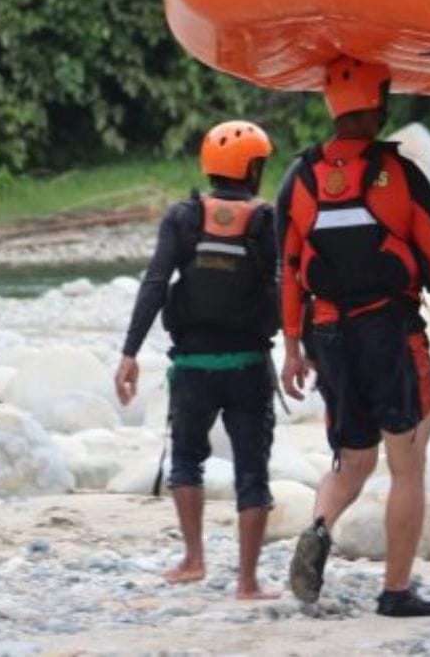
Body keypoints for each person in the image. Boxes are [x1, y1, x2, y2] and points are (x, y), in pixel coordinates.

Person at [278, 55, 430, 617]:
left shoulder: (301, 177)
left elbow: (288, 271)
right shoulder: (399, 175)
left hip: (329, 337)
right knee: (407, 465)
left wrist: (292, 347)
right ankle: (395, 592)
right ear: (380, 104)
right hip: (389, 334)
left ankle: (319, 524)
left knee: (351, 461)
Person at [114, 121, 280, 600]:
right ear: (252, 168)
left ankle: (193, 559)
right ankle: (247, 581)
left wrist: (130, 352)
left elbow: (155, 283)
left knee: (186, 459)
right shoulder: (267, 220)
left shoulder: (183, 217)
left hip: (192, 366)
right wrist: (304, 350)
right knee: (253, 469)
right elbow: (287, 286)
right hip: (249, 364)